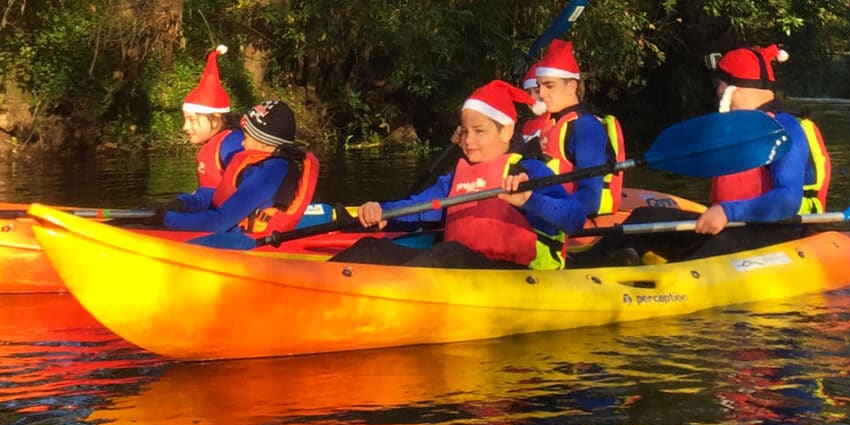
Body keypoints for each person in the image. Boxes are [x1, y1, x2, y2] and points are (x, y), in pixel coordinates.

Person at [331, 80, 586, 269]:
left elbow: (574, 218)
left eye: (479, 131)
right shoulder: (457, 178)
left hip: (519, 274)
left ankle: (389, 294)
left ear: (506, 132)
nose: (469, 141)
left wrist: (529, 199)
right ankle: (313, 283)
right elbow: (419, 207)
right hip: (462, 265)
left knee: (449, 252)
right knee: (371, 248)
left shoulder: (529, 170)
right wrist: (383, 211)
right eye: (465, 131)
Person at [694, 44, 831, 235]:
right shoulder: (737, 129)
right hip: (734, 226)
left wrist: (728, 212)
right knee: (646, 216)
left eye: (719, 84)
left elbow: (788, 200)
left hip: (776, 232)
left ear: (733, 89)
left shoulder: (784, 127)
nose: (716, 92)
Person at [157, 99, 320, 248]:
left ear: (264, 143)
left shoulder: (269, 173)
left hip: (252, 241)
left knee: (184, 245)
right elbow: (223, 196)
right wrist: (185, 203)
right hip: (238, 233)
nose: (242, 143)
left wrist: (167, 220)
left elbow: (219, 222)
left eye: (246, 137)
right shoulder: (265, 164)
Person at [523, 39, 626, 219]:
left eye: (549, 86)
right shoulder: (548, 124)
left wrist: (535, 206)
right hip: (547, 209)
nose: (541, 94)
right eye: (539, 86)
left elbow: (590, 198)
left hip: (577, 218)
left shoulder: (586, 127)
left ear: (571, 87)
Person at [172, 45, 245, 205]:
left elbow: (247, 186)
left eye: (191, 120)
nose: (185, 127)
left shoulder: (231, 142)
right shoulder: (215, 142)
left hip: (228, 221)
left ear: (216, 117)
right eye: (185, 120)